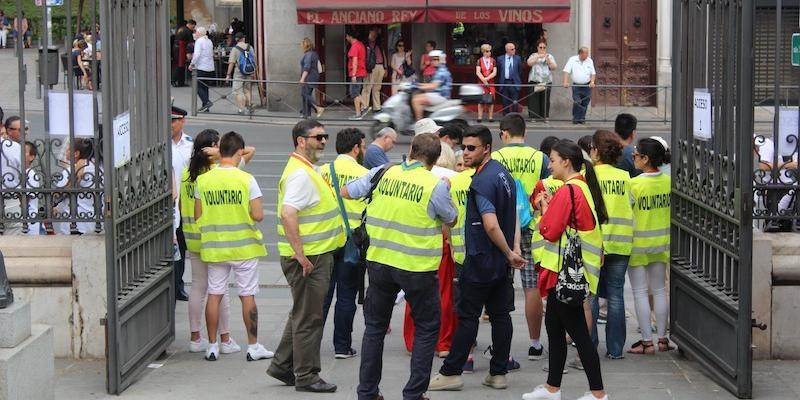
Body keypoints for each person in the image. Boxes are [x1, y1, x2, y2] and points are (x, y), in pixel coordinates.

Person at [341, 132, 456, 400]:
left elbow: (346, 191)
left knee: (375, 328)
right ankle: (414, 394)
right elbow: (451, 218)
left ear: (411, 150)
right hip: (417, 267)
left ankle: (367, 392)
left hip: (380, 262)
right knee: (426, 328)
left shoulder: (382, 172)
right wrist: (446, 189)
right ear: (435, 159)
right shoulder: (435, 185)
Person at [429, 124, 526, 391]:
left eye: (472, 148)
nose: (466, 153)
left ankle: (451, 372)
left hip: (481, 260)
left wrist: (509, 252)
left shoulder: (482, 181)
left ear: (487, 149)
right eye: (464, 148)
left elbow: (491, 224)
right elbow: (513, 217)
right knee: (501, 315)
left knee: (468, 316)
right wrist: (511, 251)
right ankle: (498, 373)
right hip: (498, 263)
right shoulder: (503, 175)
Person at [524, 139, 608, 400]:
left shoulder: (568, 190)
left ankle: (598, 394)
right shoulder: (580, 187)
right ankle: (552, 388)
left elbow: (549, 230)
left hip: (562, 273)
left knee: (578, 334)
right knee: (554, 327)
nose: (549, 166)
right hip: (565, 272)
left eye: (552, 160)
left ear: (566, 162)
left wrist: (543, 209)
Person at [268, 119, 345, 393]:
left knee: (301, 313)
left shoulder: (306, 168)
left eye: (325, 136)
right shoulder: (301, 175)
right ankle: (307, 375)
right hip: (309, 259)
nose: (323, 141)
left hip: (315, 254)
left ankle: (282, 365)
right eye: (317, 137)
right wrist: (300, 256)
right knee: (309, 318)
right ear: (301, 141)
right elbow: (288, 213)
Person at [193, 131, 272, 362]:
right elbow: (258, 215)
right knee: (247, 295)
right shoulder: (246, 179)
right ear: (239, 152)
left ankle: (212, 346)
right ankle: (253, 346)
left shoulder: (203, 180)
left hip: (215, 247)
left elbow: (198, 215)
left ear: (220, 151)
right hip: (244, 248)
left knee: (214, 294)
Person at [181, 129, 256, 354]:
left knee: (198, 287)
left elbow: (183, 204)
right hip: (213, 237)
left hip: (192, 236)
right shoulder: (216, 172)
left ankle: (196, 337)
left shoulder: (187, 172)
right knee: (218, 291)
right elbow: (249, 151)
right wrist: (220, 153)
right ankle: (225, 338)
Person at [492, 113, 550, 362]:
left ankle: (499, 345)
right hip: (532, 225)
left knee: (497, 286)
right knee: (531, 286)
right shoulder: (540, 158)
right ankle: (535, 344)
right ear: (524, 133)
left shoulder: (495, 158)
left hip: (502, 227)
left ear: (504, 133)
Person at [402, 139, 458, 358]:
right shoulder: (454, 179)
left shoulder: (413, 176)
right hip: (441, 242)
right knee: (443, 293)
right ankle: (443, 342)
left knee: (414, 293)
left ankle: (412, 339)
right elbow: (451, 217)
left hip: (412, 240)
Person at [319, 128, 369, 359]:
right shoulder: (364, 174)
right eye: (363, 146)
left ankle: (312, 344)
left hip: (326, 239)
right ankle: (342, 346)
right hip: (352, 242)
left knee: (322, 295)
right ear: (356, 148)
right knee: (347, 296)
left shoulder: (322, 171)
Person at [588, 130, 633, 360]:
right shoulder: (625, 177)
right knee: (616, 295)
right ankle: (615, 349)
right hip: (621, 242)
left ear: (595, 151)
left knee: (592, 295)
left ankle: (590, 345)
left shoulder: (588, 176)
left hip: (594, 243)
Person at [627, 138, 673, 355]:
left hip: (638, 245)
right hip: (661, 243)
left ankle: (647, 342)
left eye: (635, 155)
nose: (633, 158)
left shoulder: (634, 184)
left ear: (645, 159)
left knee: (639, 292)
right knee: (660, 290)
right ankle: (663, 339)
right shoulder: (668, 182)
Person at [171, 106, 194, 301]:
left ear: (182, 121)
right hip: (166, 203)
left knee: (181, 246)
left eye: (174, 120)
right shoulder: (160, 143)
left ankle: (178, 285)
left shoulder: (190, 145)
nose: (170, 124)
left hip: (184, 204)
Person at [411, 50, 452, 121]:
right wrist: (418, 84)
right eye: (431, 59)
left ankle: (419, 122)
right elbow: (431, 85)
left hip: (440, 96)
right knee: (417, 96)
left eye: (435, 59)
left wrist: (417, 86)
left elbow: (433, 86)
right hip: (437, 94)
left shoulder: (441, 72)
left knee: (416, 100)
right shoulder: (438, 70)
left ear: (441, 59)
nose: (432, 61)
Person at [563, 47, 597, 124]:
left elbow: (593, 73)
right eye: (586, 53)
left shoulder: (589, 60)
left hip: (587, 86)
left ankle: (582, 118)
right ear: (581, 53)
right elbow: (566, 71)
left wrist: (592, 82)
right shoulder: (572, 59)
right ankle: (575, 118)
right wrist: (565, 82)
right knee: (577, 101)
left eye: (587, 53)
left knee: (585, 102)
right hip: (576, 86)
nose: (587, 55)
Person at [527, 39, 557, 122]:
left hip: (546, 81)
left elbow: (554, 67)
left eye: (544, 47)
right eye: (541, 47)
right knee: (534, 99)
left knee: (545, 99)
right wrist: (537, 57)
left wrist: (548, 61)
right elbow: (529, 63)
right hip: (534, 80)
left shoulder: (549, 56)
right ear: (537, 48)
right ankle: (533, 116)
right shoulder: (534, 55)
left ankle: (545, 116)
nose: (542, 49)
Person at [226, 32, 255, 115]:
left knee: (238, 91)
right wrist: (254, 72)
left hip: (238, 72)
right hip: (249, 71)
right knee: (247, 90)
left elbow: (231, 63)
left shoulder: (235, 49)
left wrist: (228, 75)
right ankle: (249, 107)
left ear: (236, 39)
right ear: (243, 38)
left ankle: (241, 109)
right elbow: (253, 59)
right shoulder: (250, 47)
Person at [0, 131, 21, 234]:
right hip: (10, 197)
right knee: (13, 236)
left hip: (11, 198)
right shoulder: (14, 147)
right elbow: (23, 174)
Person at [362, 27, 387, 115]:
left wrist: (385, 67)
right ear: (370, 32)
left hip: (380, 66)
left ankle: (377, 107)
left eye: (376, 32)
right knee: (367, 87)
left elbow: (383, 55)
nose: (375, 34)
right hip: (370, 67)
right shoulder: (365, 43)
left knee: (377, 88)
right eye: (374, 31)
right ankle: (364, 106)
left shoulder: (379, 42)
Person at [190, 27, 215, 113]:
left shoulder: (199, 41)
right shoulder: (209, 41)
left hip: (202, 66)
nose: (195, 34)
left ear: (200, 33)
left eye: (196, 32)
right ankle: (205, 106)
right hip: (210, 67)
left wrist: (192, 63)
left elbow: (197, 54)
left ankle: (206, 102)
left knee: (197, 85)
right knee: (205, 86)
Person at [346, 30, 368, 120]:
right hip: (361, 71)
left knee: (354, 92)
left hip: (357, 72)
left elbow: (355, 61)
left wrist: (354, 74)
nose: (346, 38)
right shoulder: (361, 44)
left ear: (350, 36)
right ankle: (361, 110)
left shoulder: (354, 46)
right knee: (356, 92)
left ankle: (362, 109)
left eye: (347, 36)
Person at [299, 37, 324, 119]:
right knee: (306, 94)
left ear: (305, 45)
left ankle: (318, 108)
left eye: (301, 45)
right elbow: (319, 67)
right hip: (314, 77)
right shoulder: (314, 54)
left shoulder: (308, 55)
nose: (301, 47)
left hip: (308, 78)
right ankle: (306, 114)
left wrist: (302, 78)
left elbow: (307, 67)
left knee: (305, 94)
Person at [496, 42, 522, 115]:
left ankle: (514, 117)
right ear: (507, 50)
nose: (514, 50)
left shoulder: (518, 58)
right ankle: (506, 117)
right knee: (505, 101)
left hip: (514, 82)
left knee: (515, 101)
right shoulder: (500, 59)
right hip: (505, 82)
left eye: (514, 49)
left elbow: (520, 70)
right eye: (512, 49)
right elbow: (499, 71)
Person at [475, 44, 497, 123]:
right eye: (487, 51)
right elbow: (478, 72)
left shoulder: (493, 61)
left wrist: (487, 79)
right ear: (483, 52)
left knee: (491, 100)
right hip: (481, 83)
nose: (489, 53)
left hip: (490, 83)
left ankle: (490, 117)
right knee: (481, 101)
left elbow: (494, 72)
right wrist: (484, 80)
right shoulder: (479, 61)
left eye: (490, 51)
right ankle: (479, 117)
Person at [23, 141, 41, 235]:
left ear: (31, 157)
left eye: (23, 151)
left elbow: (26, 199)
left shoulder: (31, 175)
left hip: (29, 222)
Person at [173, 19, 196, 87]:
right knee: (180, 66)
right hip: (181, 49)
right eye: (193, 27)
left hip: (176, 48)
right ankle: (174, 80)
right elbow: (191, 43)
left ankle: (180, 82)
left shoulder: (181, 28)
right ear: (190, 24)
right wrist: (190, 52)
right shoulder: (188, 31)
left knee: (177, 65)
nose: (193, 28)